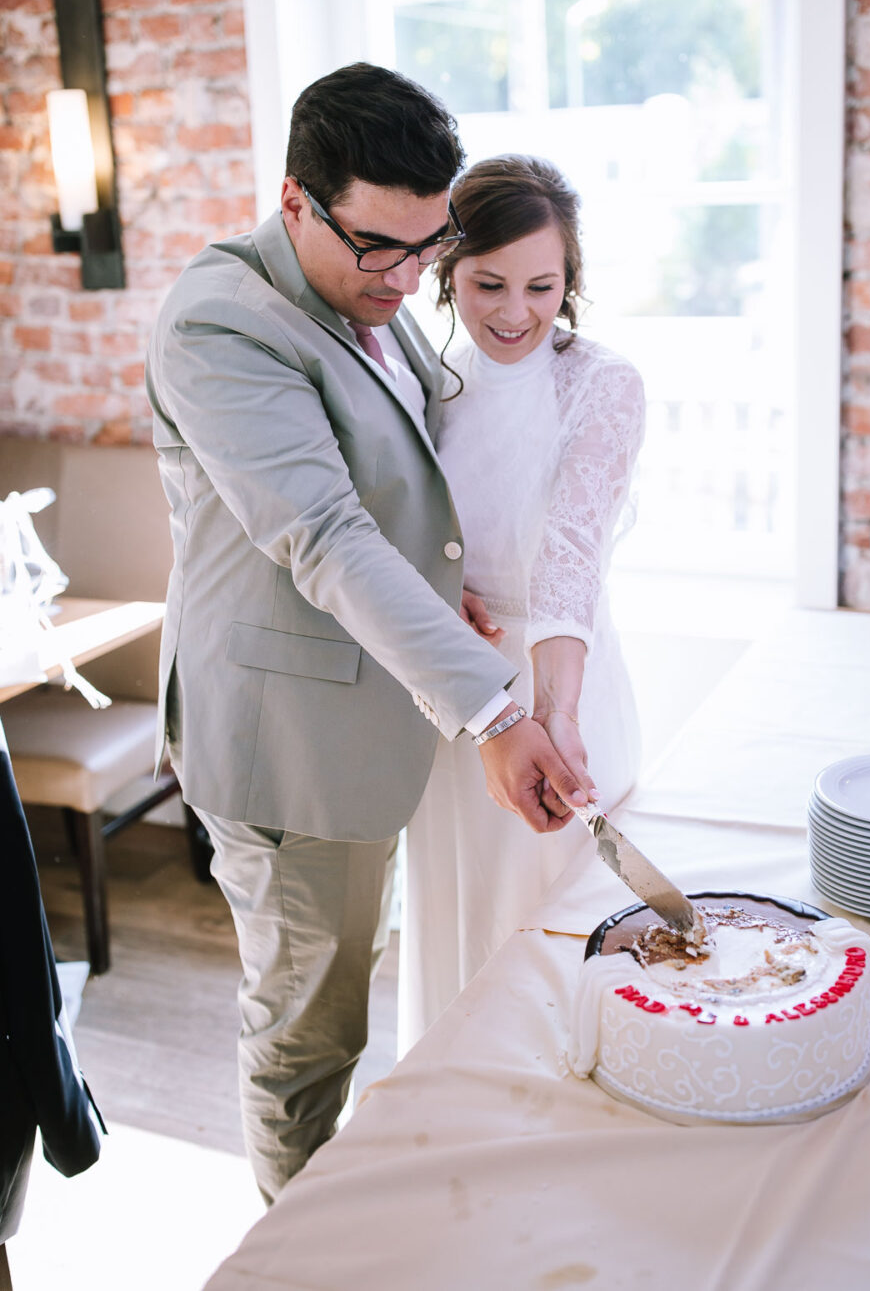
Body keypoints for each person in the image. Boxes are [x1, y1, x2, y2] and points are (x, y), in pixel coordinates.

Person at [144, 67, 588, 1204]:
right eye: (379, 247)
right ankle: (293, 1257)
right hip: (287, 739)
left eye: (427, 246)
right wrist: (497, 710)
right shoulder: (221, 322)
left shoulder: (370, 291)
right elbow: (325, 533)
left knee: (354, 993)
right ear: (295, 201)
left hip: (374, 703)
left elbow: (392, 484)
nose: (405, 277)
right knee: (308, 1037)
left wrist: (449, 588)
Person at [401, 154, 645, 1048]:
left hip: (565, 677)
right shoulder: (425, 383)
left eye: (541, 286)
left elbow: (569, 559)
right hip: (454, 692)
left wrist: (554, 714)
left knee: (565, 932)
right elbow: (394, 525)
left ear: (570, 279)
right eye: (488, 284)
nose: (515, 312)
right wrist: (439, 587)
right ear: (446, 271)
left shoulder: (602, 384)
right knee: (463, 931)